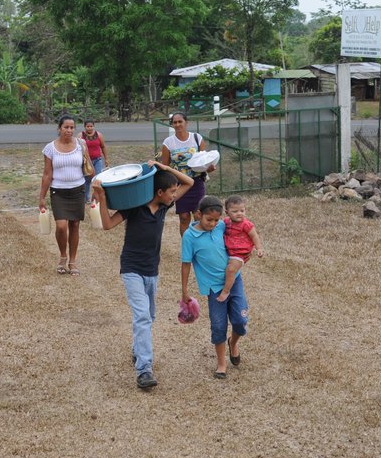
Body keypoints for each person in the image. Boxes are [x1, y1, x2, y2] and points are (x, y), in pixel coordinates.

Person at [92, 160, 194, 390]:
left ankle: (138, 348)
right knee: (142, 317)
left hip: (152, 270)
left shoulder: (165, 207)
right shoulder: (134, 206)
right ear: (160, 192)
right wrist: (102, 197)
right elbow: (107, 225)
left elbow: (188, 181)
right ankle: (144, 370)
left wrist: (162, 167)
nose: (174, 196)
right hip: (131, 269)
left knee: (149, 316)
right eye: (171, 192)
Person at [180, 195, 250, 380]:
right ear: (198, 214)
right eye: (208, 219)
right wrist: (185, 290)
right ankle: (221, 363)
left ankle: (233, 343)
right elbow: (186, 263)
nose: (213, 224)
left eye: (216, 220)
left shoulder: (222, 225)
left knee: (240, 322)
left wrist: (247, 251)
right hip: (214, 288)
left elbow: (242, 225)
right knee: (218, 325)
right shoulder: (189, 236)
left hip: (234, 281)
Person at [39, 115, 87, 275]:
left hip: (78, 190)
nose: (69, 130)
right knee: (61, 226)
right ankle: (62, 255)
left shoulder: (81, 145)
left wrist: (95, 189)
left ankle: (72, 261)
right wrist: (41, 197)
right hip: (58, 191)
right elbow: (47, 174)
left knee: (74, 225)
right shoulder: (50, 148)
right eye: (66, 127)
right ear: (59, 128)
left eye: (72, 127)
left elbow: (89, 168)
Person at [161, 112, 215, 235]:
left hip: (196, 182)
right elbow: (165, 167)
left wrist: (209, 168)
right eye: (175, 122)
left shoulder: (197, 138)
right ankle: (187, 246)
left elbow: (204, 161)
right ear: (172, 125)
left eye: (180, 121)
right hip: (180, 185)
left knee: (198, 215)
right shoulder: (168, 143)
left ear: (186, 123)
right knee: (184, 217)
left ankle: (200, 244)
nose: (178, 124)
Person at [216, 195, 264, 303]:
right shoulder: (226, 222)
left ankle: (226, 291)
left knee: (231, 269)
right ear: (227, 212)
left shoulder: (246, 224)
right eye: (235, 211)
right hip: (229, 250)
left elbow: (254, 236)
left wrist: (259, 248)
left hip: (240, 253)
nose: (239, 213)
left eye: (242, 210)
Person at [79, 120, 109, 202]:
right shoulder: (80, 136)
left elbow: (103, 147)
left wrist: (106, 159)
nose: (89, 128)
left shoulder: (99, 135)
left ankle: (98, 197)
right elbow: (77, 148)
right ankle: (86, 198)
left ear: (94, 126)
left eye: (91, 126)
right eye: (88, 126)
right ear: (85, 127)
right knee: (87, 180)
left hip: (98, 160)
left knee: (98, 178)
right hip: (86, 162)